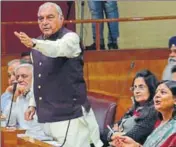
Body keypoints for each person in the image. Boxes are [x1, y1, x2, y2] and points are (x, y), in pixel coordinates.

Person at [14, 2, 103, 147]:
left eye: (50, 17)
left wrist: (34, 44)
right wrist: (33, 104)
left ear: (61, 19)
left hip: (70, 117)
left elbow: (57, 49)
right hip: (46, 117)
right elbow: (38, 77)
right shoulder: (37, 44)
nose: (44, 22)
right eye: (40, 19)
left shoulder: (71, 38)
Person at [110, 80, 176, 147]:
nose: (157, 95)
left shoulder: (173, 128)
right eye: (156, 92)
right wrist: (135, 145)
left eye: (163, 92)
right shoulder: (159, 122)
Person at [107, 70, 158, 145]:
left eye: (141, 87)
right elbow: (112, 127)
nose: (136, 91)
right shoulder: (134, 108)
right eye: (135, 87)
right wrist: (113, 134)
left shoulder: (153, 111)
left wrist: (114, 134)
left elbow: (132, 136)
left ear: (150, 89)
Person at [4, 63, 52, 140]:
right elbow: (10, 123)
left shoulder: (43, 96)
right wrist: (14, 99)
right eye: (17, 77)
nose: (19, 80)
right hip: (26, 139)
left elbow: (39, 127)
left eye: (24, 76)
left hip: (44, 140)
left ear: (34, 78)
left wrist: (28, 93)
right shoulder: (19, 96)